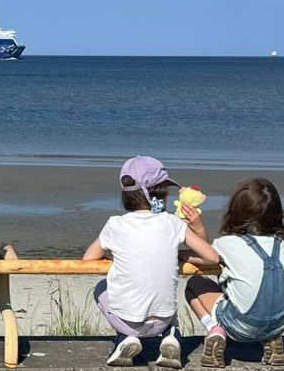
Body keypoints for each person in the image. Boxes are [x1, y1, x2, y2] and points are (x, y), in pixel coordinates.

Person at [84, 156, 218, 368]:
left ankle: (125, 338)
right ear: (162, 192)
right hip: (161, 321)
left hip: (127, 322)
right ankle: (171, 334)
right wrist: (183, 251)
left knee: (101, 287)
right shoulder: (173, 223)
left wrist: (115, 255)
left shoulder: (116, 224)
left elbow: (89, 258)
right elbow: (212, 257)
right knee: (164, 301)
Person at [184, 178, 284, 368]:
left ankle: (214, 330)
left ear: (235, 211)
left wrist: (197, 228)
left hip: (240, 326)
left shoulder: (229, 244)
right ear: (278, 213)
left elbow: (206, 255)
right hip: (280, 324)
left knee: (194, 284)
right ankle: (272, 340)